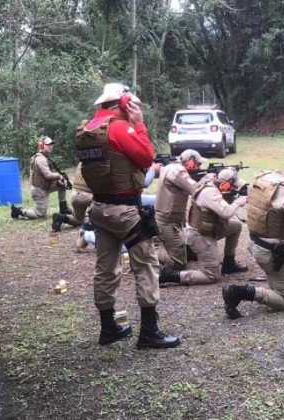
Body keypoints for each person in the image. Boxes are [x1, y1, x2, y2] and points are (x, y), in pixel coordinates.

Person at [76, 82, 178, 349]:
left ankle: (108, 328)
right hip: (124, 210)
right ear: (122, 103)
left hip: (99, 208)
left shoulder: (87, 130)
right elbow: (146, 157)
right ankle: (149, 332)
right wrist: (139, 123)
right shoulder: (120, 128)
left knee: (105, 268)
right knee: (146, 264)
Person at [221, 155, 284, 319]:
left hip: (255, 242)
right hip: (270, 252)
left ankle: (282, 283)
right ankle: (239, 292)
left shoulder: (264, 177)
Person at [159, 167, 249, 286]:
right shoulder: (209, 192)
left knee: (236, 226)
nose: (234, 188)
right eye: (232, 185)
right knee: (211, 275)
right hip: (200, 235)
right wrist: (238, 202)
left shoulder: (212, 187)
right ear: (225, 184)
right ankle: (172, 275)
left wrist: (231, 197)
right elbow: (226, 212)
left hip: (210, 229)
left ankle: (229, 263)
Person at [154, 149, 211, 271]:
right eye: (198, 164)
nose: (199, 166)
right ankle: (148, 254)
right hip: (166, 223)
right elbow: (194, 189)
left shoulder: (172, 167)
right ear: (189, 162)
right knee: (179, 263)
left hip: (171, 220)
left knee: (186, 253)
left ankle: (157, 245)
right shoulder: (178, 171)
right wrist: (207, 179)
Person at [10, 136, 71, 221]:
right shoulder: (40, 159)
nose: (51, 146)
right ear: (41, 146)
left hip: (45, 186)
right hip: (39, 190)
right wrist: (59, 176)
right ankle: (19, 211)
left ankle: (63, 209)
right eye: (48, 145)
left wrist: (60, 180)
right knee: (40, 215)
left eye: (52, 144)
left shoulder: (45, 157)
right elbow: (48, 175)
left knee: (62, 186)